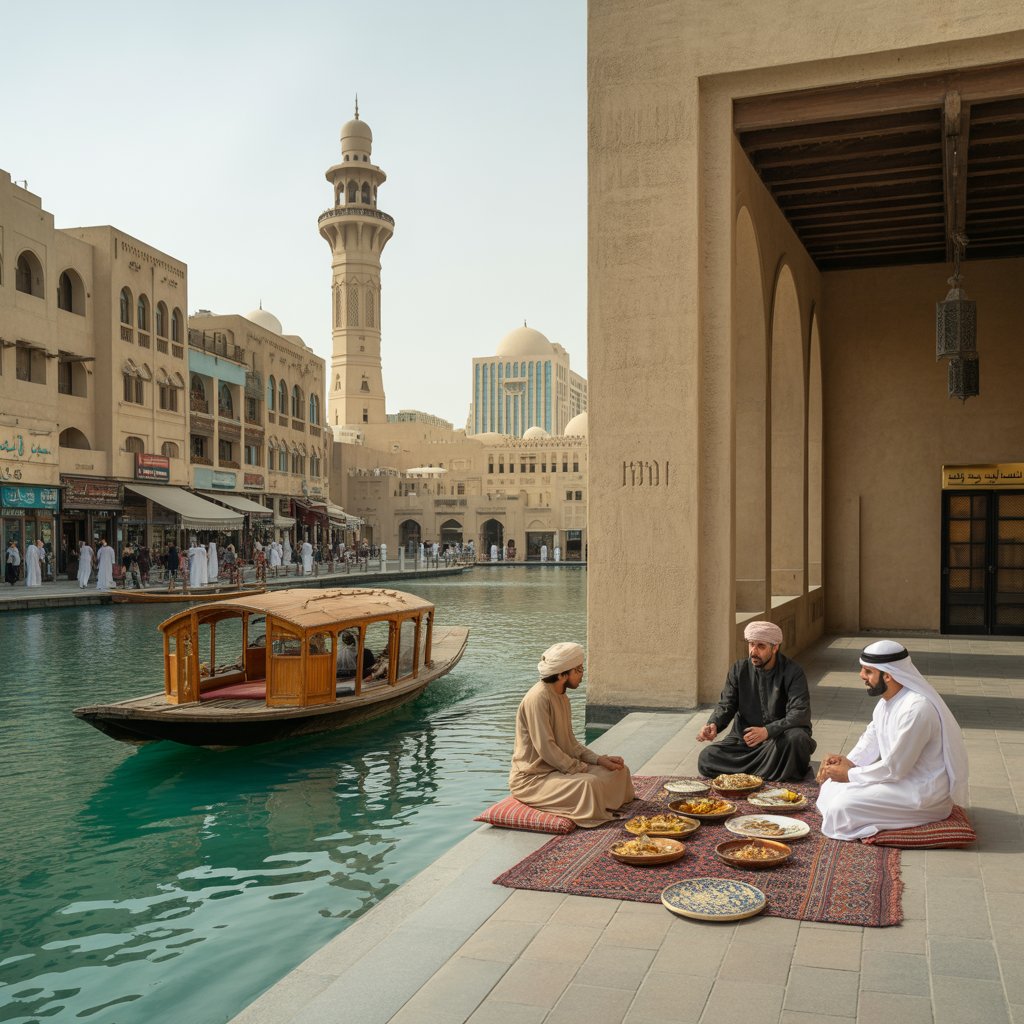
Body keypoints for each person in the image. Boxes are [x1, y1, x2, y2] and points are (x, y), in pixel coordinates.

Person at [816, 640, 970, 841]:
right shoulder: (886, 702)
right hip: (897, 782)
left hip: (920, 793)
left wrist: (849, 774)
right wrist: (843, 763)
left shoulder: (917, 709)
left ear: (888, 675)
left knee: (841, 806)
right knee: (830, 786)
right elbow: (869, 741)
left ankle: (882, 825)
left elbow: (896, 768)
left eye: (868, 671)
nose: (861, 676)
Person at [509, 642, 635, 827]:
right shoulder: (537, 699)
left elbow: (570, 743)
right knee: (589, 784)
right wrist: (578, 768)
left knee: (619, 772)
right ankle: (597, 807)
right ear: (562, 674)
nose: (582, 674)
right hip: (534, 778)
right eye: (579, 670)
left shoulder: (562, 696)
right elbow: (546, 748)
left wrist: (599, 760)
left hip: (559, 769)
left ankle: (601, 801)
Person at [696, 620, 814, 780]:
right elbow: (727, 704)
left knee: (797, 739)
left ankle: (749, 773)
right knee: (707, 757)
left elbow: (799, 713)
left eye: (761, 646)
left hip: (778, 740)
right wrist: (714, 724)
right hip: (744, 741)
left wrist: (767, 731)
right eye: (751, 644)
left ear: (775, 647)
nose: (753, 651)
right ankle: (771, 771)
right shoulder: (739, 669)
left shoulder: (793, 672)